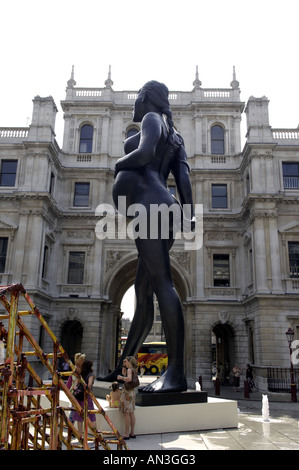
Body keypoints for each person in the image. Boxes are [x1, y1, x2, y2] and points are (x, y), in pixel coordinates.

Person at [100, 80, 195, 393]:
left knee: (163, 283)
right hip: (161, 205)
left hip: (149, 206)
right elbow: (183, 178)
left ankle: (176, 375)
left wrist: (116, 165)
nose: (133, 109)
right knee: (143, 293)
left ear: (145, 98)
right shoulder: (176, 135)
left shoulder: (152, 119)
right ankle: (123, 368)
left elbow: (142, 155)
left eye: (136, 100)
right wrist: (190, 215)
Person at [71, 359, 96, 435]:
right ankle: (96, 434)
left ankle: (79, 434)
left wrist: (78, 389)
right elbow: (89, 385)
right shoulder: (90, 375)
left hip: (79, 397)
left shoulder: (81, 375)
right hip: (86, 397)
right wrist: (86, 390)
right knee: (91, 416)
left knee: (79, 417)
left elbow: (74, 386)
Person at [117, 356, 138, 439]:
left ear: (130, 362)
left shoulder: (129, 370)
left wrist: (121, 378)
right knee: (131, 413)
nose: (126, 363)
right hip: (132, 392)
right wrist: (123, 365)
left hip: (127, 393)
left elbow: (128, 379)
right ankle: (132, 432)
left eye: (126, 362)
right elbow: (124, 373)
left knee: (126, 413)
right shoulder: (133, 370)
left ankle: (126, 433)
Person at [66, 353, 86, 423]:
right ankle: (70, 425)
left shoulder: (75, 368)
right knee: (74, 409)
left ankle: (71, 426)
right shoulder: (77, 369)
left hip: (74, 390)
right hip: (76, 391)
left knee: (74, 409)